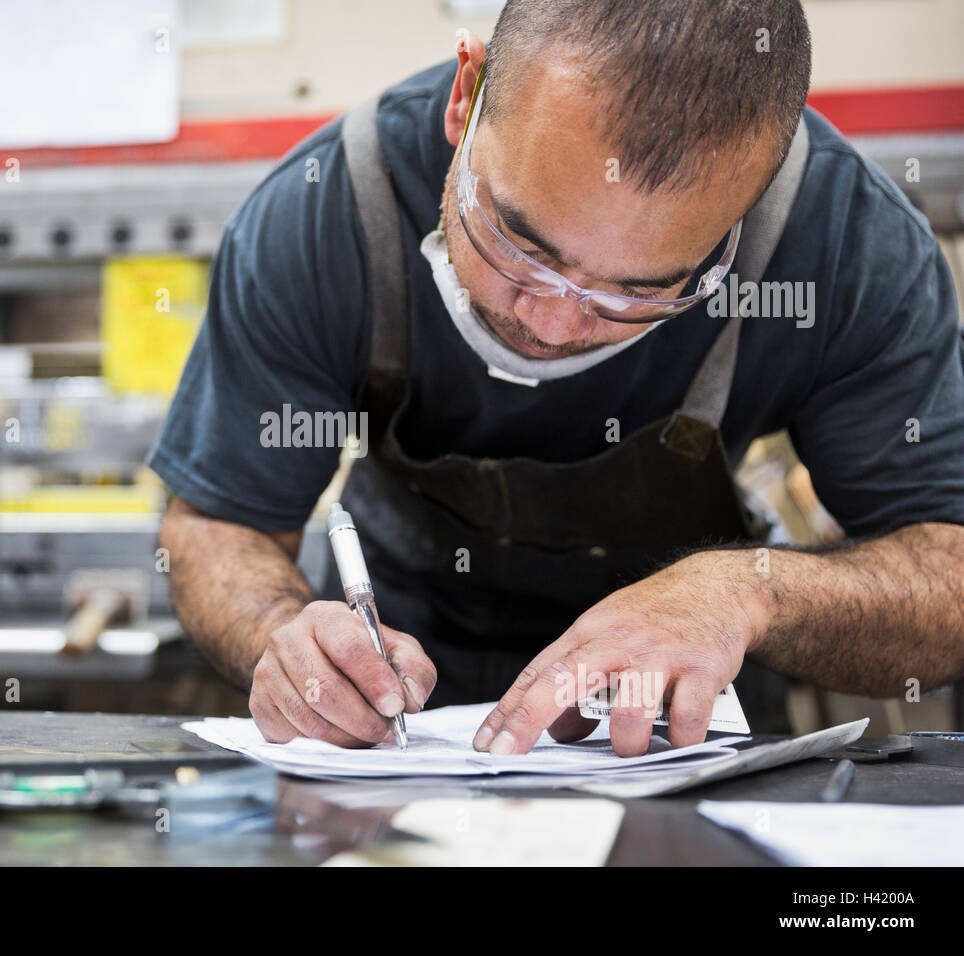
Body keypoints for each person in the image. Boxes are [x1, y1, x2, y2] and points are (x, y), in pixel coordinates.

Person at [148, 0, 964, 756]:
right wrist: (282, 636)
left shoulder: (847, 244)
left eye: (641, 293)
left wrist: (750, 593)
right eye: (519, 246)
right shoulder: (328, 207)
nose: (554, 326)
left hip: (674, 737)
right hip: (401, 728)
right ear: (466, 98)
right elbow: (219, 524)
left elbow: (949, 570)